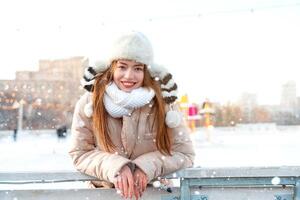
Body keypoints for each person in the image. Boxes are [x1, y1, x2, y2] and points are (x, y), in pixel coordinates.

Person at [69, 31, 195, 199]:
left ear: (147, 71)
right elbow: (80, 153)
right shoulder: (90, 103)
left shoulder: (164, 104)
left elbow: (184, 154)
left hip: (154, 195)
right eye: (122, 66)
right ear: (112, 67)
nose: (129, 76)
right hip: (104, 194)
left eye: (137, 68)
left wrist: (145, 166)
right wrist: (116, 167)